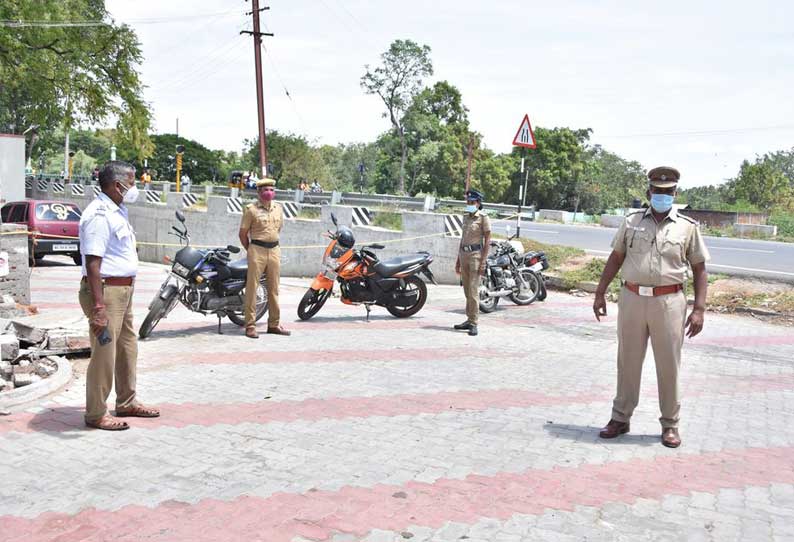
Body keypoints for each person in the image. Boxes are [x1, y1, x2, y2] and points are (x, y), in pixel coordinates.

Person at [593, 166, 710, 448]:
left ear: (675, 194)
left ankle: (670, 424)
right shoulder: (632, 221)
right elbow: (615, 257)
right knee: (628, 361)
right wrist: (599, 293)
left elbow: (700, 268)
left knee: (668, 365)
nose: (662, 196)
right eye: (658, 191)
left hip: (669, 302)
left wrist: (699, 309)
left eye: (668, 192)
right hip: (632, 298)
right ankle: (620, 418)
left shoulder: (687, 227)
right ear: (649, 193)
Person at [78, 161, 160, 431]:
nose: (135, 187)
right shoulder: (99, 215)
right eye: (133, 182)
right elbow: (92, 262)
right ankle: (96, 413)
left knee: (126, 348)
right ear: (117, 185)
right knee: (104, 353)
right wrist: (99, 306)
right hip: (106, 292)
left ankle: (126, 401)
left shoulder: (117, 211)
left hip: (122, 291)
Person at [238, 178, 290, 339]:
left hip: (274, 250)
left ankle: (274, 324)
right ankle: (250, 325)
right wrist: (251, 250)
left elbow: (279, 228)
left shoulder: (278, 209)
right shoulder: (251, 210)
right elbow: (242, 234)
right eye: (265, 189)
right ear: (259, 192)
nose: (269, 192)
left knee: (274, 289)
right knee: (252, 289)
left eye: (271, 189)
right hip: (257, 250)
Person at [453, 189, 491, 336]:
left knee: (473, 291)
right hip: (464, 255)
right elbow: (462, 239)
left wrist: (483, 261)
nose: (469, 204)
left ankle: (474, 323)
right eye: (468, 202)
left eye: (472, 202)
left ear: (478, 203)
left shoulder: (483, 217)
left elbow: (488, 239)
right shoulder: (466, 217)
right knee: (467, 290)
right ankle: (469, 319)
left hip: (476, 256)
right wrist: (458, 260)